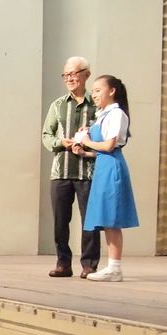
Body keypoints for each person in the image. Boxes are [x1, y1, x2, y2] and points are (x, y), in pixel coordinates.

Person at [42, 56, 101, 278]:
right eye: (66, 75)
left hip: (89, 172)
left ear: (86, 74)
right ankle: (63, 263)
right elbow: (46, 135)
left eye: (74, 73)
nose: (69, 78)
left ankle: (89, 265)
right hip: (61, 172)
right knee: (60, 221)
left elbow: (105, 135)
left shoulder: (97, 105)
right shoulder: (57, 105)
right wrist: (61, 142)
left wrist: (88, 142)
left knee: (90, 221)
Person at [77, 75, 139, 282]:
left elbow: (109, 146)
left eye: (98, 90)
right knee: (106, 218)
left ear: (112, 91)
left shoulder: (116, 114)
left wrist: (86, 140)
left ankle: (115, 268)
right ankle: (112, 266)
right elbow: (102, 150)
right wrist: (85, 151)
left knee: (112, 218)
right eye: (93, 91)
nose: (94, 95)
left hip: (112, 168)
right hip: (103, 167)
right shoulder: (103, 115)